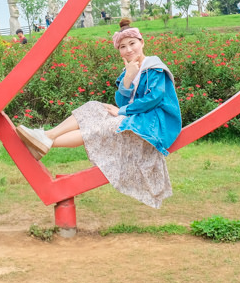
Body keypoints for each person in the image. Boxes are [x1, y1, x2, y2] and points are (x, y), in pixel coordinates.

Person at [16, 18, 182, 208]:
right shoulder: (129, 69)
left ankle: (45, 141)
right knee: (95, 107)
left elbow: (154, 99)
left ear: (142, 42)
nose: (128, 50)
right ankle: (48, 136)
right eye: (122, 47)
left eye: (132, 44)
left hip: (156, 122)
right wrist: (128, 77)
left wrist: (122, 111)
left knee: (102, 126)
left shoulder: (154, 68)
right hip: (137, 116)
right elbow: (121, 100)